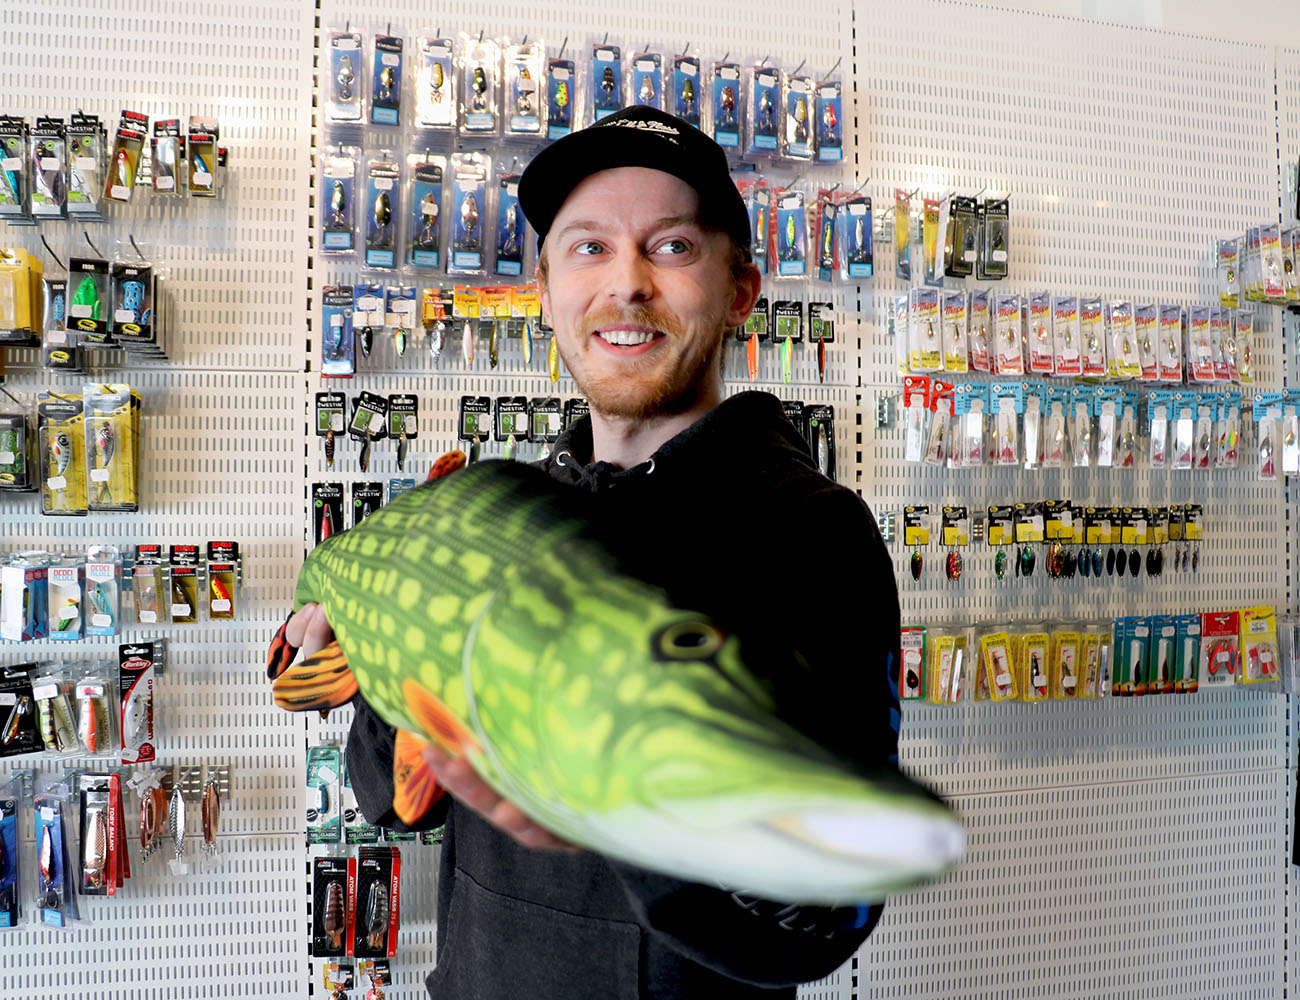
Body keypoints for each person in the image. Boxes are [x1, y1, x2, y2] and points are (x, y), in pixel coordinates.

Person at [284, 105, 902, 999]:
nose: (627, 284)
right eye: (588, 248)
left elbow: (821, 917)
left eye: (673, 248)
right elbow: (388, 795)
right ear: (544, 286)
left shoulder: (809, 534)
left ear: (739, 290)